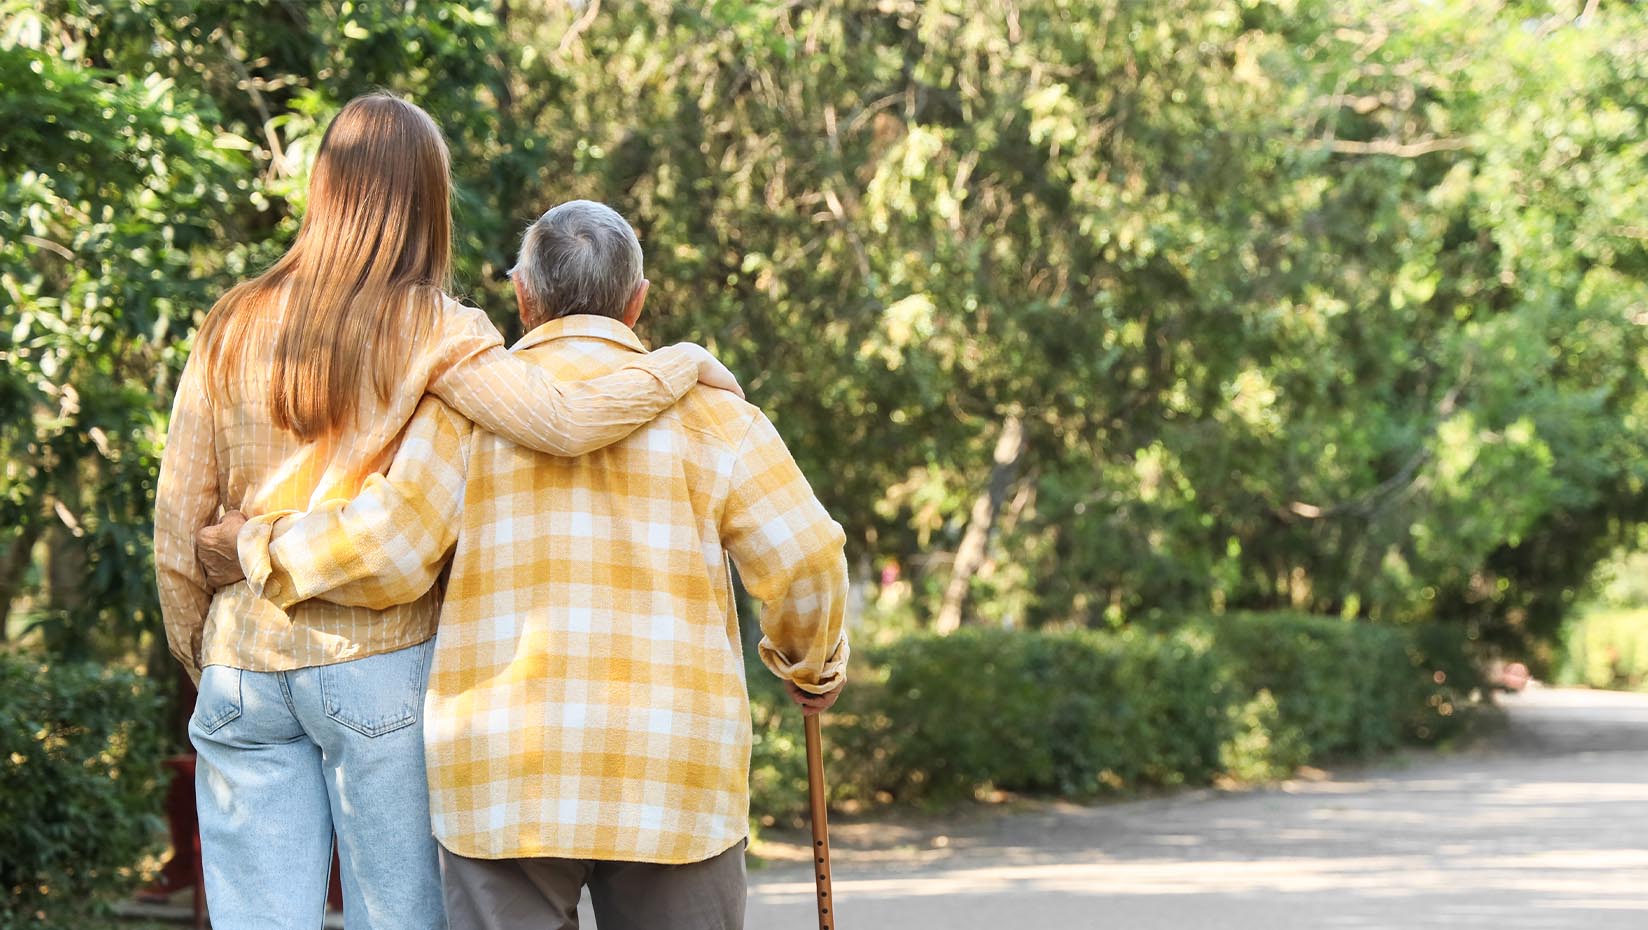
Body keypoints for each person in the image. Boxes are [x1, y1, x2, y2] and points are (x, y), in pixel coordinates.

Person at [154, 95, 742, 930]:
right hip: (379, 662)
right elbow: (564, 424)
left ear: (323, 189)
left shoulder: (231, 323)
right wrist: (678, 362)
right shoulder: (438, 327)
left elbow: (179, 529)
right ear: (428, 202)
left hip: (242, 665)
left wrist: (208, 657)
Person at [200, 199, 849, 930]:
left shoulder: (467, 413)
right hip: (674, 775)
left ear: (523, 298)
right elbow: (808, 554)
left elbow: (390, 553)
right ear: (637, 303)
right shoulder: (718, 415)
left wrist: (256, 545)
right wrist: (810, 664)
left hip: (503, 780)